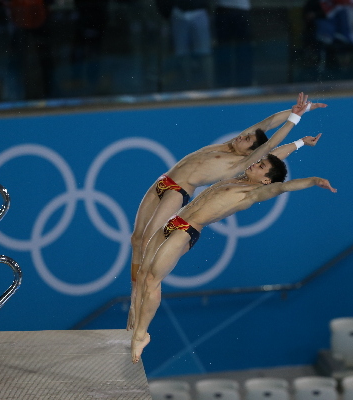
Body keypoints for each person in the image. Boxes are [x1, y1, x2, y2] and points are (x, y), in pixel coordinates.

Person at [127, 92, 327, 329]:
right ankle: (136, 290)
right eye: (244, 135)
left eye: (246, 140)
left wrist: (296, 123)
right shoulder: (231, 145)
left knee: (150, 243)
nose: (242, 136)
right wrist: (305, 108)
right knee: (137, 239)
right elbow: (269, 122)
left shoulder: (240, 165)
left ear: (251, 154)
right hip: (164, 180)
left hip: (177, 191)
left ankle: (135, 302)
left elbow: (272, 147)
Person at [130, 154, 337, 362]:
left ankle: (141, 335)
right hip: (173, 222)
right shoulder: (237, 178)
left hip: (185, 231)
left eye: (261, 166)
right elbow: (270, 150)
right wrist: (300, 144)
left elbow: (282, 187)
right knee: (143, 274)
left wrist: (313, 181)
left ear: (266, 180)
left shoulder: (253, 193)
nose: (255, 164)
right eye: (258, 162)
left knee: (152, 280)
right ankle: (135, 319)